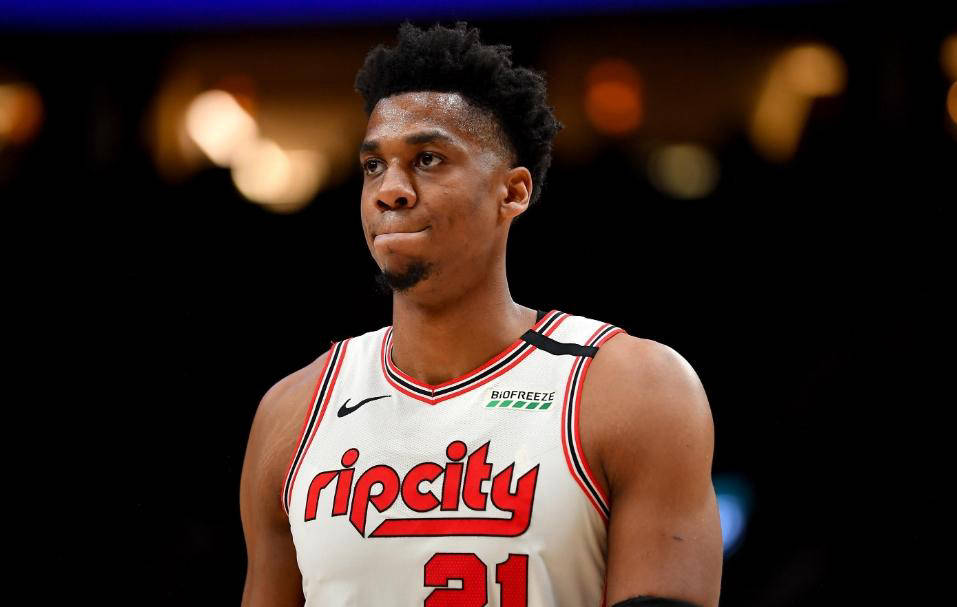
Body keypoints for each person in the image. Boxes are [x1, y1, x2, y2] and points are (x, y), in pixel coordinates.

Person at [240, 21, 722, 607]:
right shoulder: (291, 412)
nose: (391, 189)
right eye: (374, 166)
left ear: (513, 192)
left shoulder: (634, 389)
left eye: (427, 159)